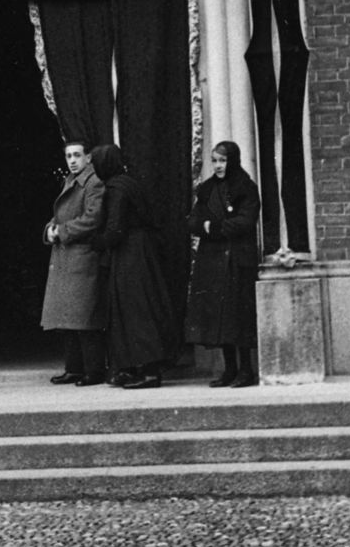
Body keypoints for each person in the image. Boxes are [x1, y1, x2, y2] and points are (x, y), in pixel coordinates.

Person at [89, 145, 177, 389]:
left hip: (131, 253)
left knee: (136, 309)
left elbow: (116, 228)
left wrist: (97, 242)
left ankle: (148, 371)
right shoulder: (128, 183)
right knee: (137, 307)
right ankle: (134, 367)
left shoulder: (116, 188)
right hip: (139, 251)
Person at [185, 141, 261, 388]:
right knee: (220, 317)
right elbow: (193, 220)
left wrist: (213, 227)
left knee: (238, 316)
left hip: (237, 260)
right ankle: (229, 369)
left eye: (223, 160)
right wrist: (206, 226)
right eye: (214, 160)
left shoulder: (246, 188)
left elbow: (246, 221)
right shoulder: (206, 189)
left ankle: (246, 371)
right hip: (213, 261)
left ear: (233, 161)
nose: (218, 166)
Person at [40, 139, 106, 386]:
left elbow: (93, 218)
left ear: (88, 157)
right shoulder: (70, 180)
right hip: (66, 256)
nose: (73, 161)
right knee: (68, 318)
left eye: (77, 155)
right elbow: (59, 214)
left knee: (84, 319)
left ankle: (94, 369)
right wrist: (49, 229)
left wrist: (62, 231)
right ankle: (74, 368)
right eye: (69, 156)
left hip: (82, 256)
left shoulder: (93, 183)